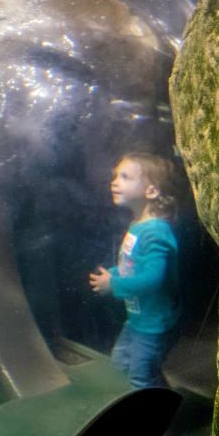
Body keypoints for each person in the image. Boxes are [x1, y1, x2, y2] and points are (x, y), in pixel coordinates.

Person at [89, 153, 181, 388]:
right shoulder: (138, 226)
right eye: (115, 176)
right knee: (122, 363)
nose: (114, 181)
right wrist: (113, 274)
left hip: (153, 324)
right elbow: (132, 267)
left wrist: (114, 284)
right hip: (138, 320)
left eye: (125, 177)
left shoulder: (155, 231)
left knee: (140, 378)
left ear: (151, 191)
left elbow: (153, 279)